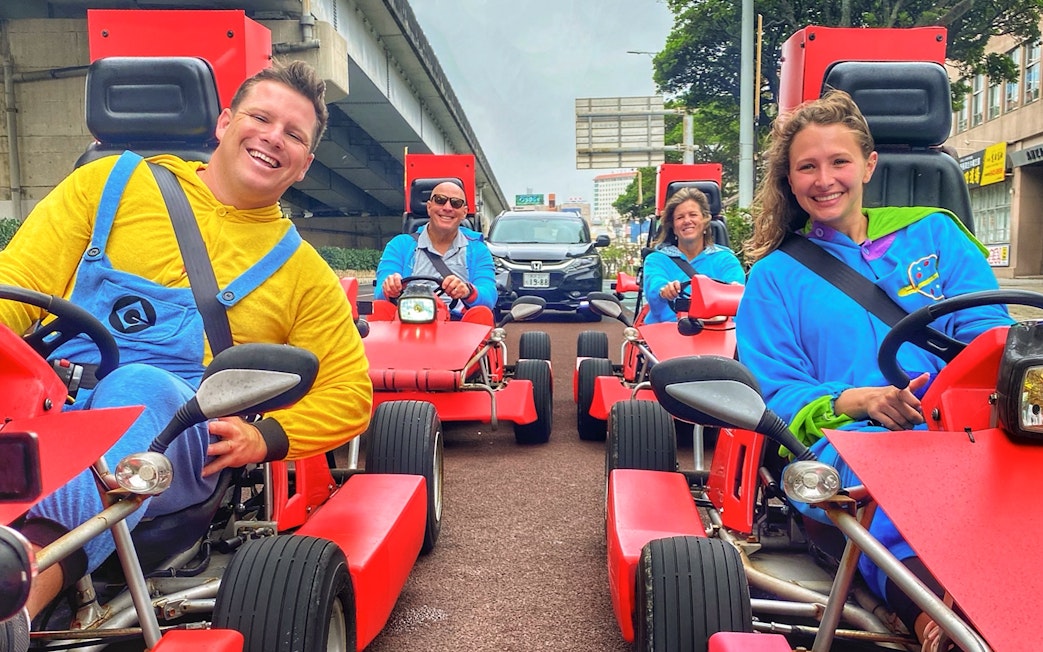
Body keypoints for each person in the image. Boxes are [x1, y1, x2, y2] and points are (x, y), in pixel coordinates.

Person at [0, 60, 372, 630]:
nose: (273, 137)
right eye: (261, 117)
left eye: (294, 135)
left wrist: (267, 435)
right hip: (54, 403)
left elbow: (350, 393)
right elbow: (15, 290)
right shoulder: (107, 185)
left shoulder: (305, 274)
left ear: (304, 166)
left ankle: (18, 596)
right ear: (224, 123)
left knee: (137, 387)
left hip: (178, 430)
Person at [735, 89, 1012, 651]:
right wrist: (855, 400)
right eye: (806, 167)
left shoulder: (934, 234)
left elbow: (989, 335)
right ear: (790, 182)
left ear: (868, 164)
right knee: (890, 484)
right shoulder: (773, 277)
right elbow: (777, 392)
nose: (824, 178)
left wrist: (945, 391)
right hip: (849, 439)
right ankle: (939, 620)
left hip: (957, 420)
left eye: (838, 161)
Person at [375, 180, 497, 314]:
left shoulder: (479, 250)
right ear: (429, 207)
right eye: (440, 200)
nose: (447, 208)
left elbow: (489, 296)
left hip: (459, 325)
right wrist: (390, 286)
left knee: (482, 314)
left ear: (464, 212)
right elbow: (379, 293)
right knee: (380, 309)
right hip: (409, 321)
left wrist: (468, 291)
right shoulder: (399, 245)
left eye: (456, 203)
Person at [642, 187, 745, 324]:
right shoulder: (656, 259)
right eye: (680, 217)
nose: (687, 221)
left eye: (693, 215)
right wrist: (664, 290)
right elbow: (654, 284)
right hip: (669, 332)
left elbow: (738, 295)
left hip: (718, 333)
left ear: (705, 220)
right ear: (673, 226)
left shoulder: (725, 259)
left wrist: (735, 291)